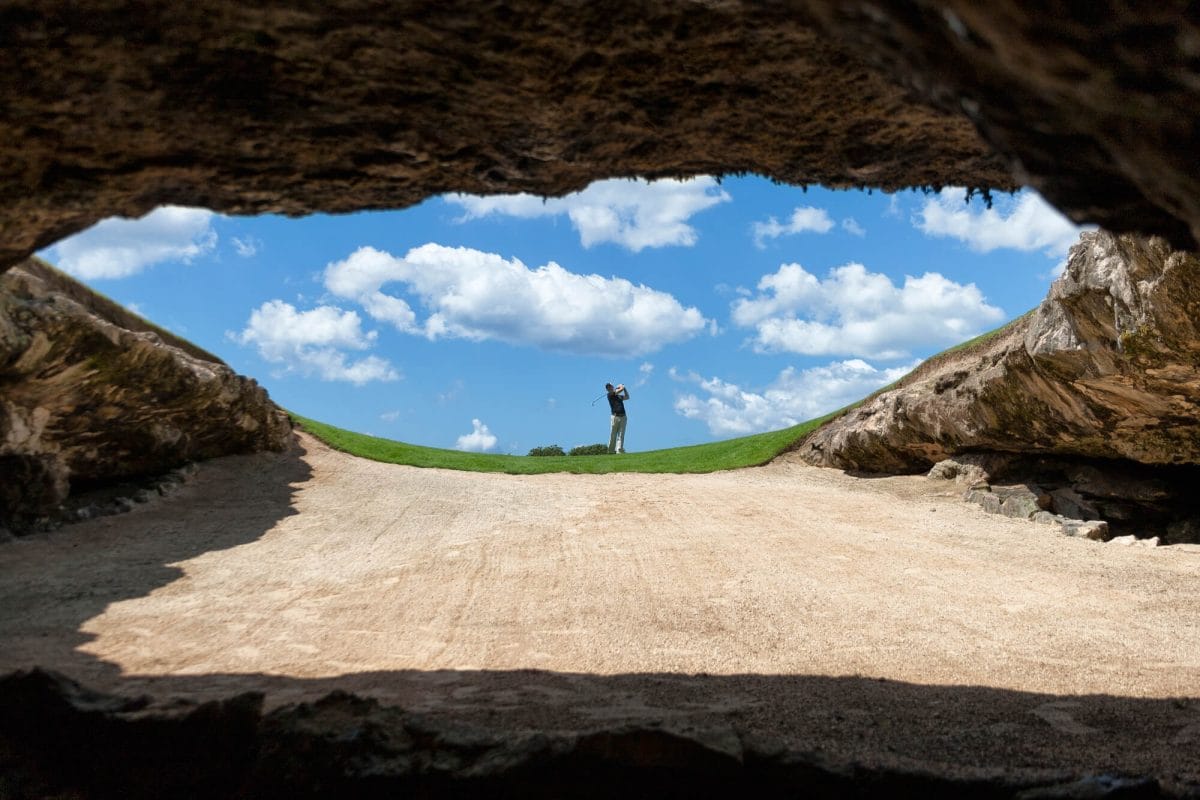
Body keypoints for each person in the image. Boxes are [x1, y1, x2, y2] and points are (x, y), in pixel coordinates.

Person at [605, 382, 630, 454]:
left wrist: (624, 389)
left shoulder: (618, 396)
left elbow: (627, 397)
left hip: (623, 416)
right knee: (613, 434)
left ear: (612, 387)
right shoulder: (609, 395)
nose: (609, 388)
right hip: (615, 417)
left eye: (610, 386)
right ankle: (611, 451)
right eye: (608, 388)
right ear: (607, 390)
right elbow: (619, 390)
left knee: (621, 435)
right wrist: (622, 386)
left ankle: (619, 450)